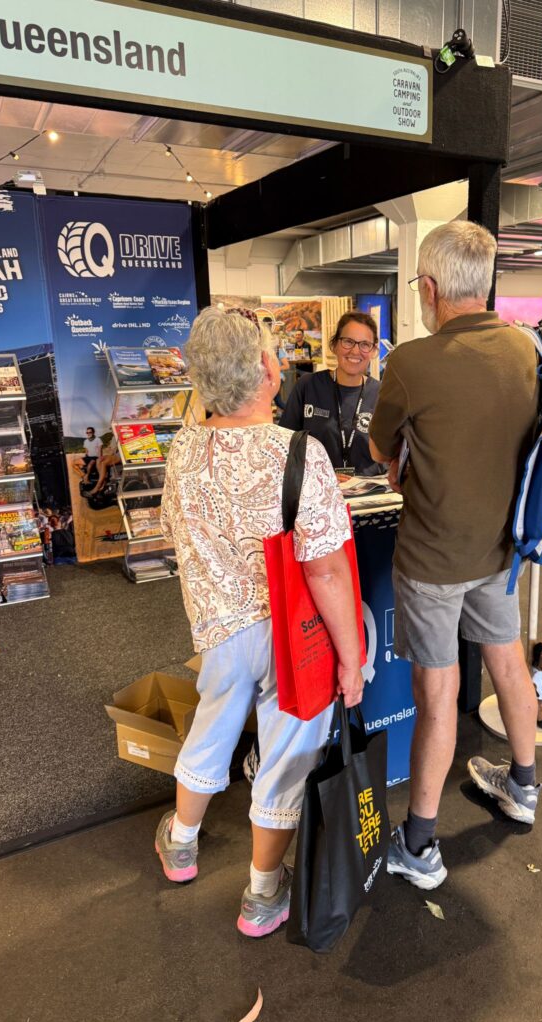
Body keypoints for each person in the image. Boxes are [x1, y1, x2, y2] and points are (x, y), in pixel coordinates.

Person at [156, 306, 363, 939]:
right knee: (285, 755)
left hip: (220, 630)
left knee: (212, 726)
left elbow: (173, 535)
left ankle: (182, 844)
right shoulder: (299, 453)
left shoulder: (183, 450)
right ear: (270, 370)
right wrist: (352, 659)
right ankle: (262, 895)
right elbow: (326, 572)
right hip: (294, 636)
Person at [368, 221, 541, 890]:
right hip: (499, 549)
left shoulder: (411, 361)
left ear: (431, 288)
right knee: (509, 665)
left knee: (437, 697)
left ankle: (420, 845)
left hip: (433, 559)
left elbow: (384, 449)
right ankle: (523, 787)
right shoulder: (523, 350)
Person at [280, 311, 385, 478]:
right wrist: (322, 476)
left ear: (373, 351)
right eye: (348, 341)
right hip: (318, 491)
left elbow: (391, 455)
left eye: (365, 344)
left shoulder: (382, 394)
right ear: (334, 345)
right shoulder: (308, 386)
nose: (356, 351)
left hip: (369, 494)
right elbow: (284, 447)